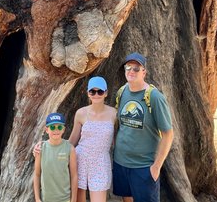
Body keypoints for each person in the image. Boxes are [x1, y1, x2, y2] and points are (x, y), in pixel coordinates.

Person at [113, 52, 174, 202]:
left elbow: (168, 134)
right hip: (121, 162)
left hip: (143, 166)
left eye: (136, 68)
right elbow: (118, 125)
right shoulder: (122, 92)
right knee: (126, 199)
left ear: (144, 72)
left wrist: (156, 167)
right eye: (128, 68)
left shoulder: (154, 97)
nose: (131, 71)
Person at [68, 76, 117, 202]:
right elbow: (72, 140)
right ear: (88, 93)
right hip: (81, 158)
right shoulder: (81, 113)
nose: (96, 95)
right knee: (79, 199)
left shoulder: (114, 114)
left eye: (100, 91)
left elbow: (118, 139)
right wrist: (48, 146)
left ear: (106, 93)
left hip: (101, 161)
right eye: (92, 91)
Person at [33, 112, 78, 202]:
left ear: (63, 129)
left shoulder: (70, 148)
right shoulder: (41, 148)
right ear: (47, 130)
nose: (56, 130)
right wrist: (37, 199)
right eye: (52, 127)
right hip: (46, 199)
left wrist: (73, 199)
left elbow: (74, 176)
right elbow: (37, 174)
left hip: (65, 199)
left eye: (59, 127)